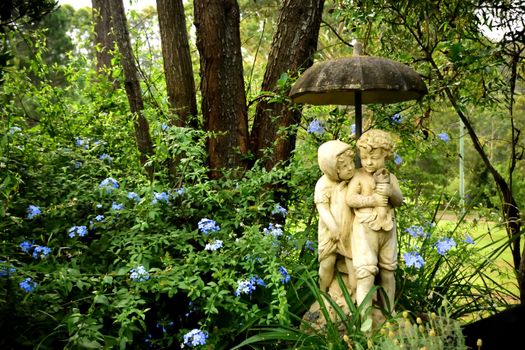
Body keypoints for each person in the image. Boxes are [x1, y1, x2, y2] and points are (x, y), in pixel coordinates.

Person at [346, 129, 403, 317]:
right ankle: (364, 318)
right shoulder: (358, 176)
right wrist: (373, 200)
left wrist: (389, 192)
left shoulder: (390, 177)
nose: (369, 162)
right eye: (364, 157)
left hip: (387, 228)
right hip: (365, 229)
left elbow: (399, 201)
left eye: (374, 158)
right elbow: (351, 199)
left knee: (388, 271)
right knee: (366, 273)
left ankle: (389, 311)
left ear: (385, 155)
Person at [315, 140, 356, 295]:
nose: (350, 167)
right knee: (327, 264)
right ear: (331, 169)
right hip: (330, 233)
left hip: (350, 231)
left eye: (351, 162)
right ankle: (322, 293)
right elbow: (322, 207)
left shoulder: (354, 179)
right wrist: (333, 227)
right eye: (344, 166)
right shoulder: (323, 184)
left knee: (354, 266)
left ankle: (354, 298)